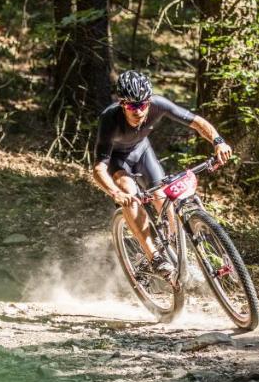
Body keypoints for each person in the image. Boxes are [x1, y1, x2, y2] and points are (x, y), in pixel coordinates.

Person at [91, 70, 234, 282]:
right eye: (132, 106)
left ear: (149, 101)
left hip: (142, 152)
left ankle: (177, 246)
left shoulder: (159, 104)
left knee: (162, 196)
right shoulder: (109, 119)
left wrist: (218, 140)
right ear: (122, 104)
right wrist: (114, 192)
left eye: (142, 104)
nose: (138, 111)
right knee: (130, 193)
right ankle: (154, 256)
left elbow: (196, 121)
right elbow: (98, 169)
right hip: (117, 160)